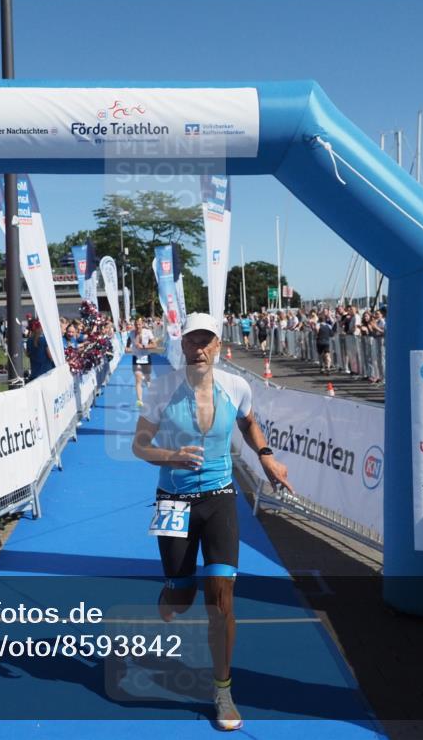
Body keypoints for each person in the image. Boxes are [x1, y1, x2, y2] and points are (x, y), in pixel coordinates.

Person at [132, 312, 293, 732]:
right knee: (180, 600)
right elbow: (139, 445)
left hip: (220, 498)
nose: (198, 349)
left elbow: (248, 422)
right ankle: (170, 591)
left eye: (206, 341)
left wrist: (266, 456)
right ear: (181, 345)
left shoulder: (236, 386)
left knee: (221, 599)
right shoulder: (163, 388)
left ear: (219, 346)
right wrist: (172, 457)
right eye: (191, 341)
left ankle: (222, 690)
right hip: (172, 501)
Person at [126, 317, 156, 407]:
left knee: (147, 378)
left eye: (139, 324)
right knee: (138, 378)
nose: (137, 326)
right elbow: (127, 345)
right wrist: (128, 348)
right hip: (136, 357)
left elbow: (154, 345)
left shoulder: (148, 332)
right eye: (136, 324)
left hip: (146, 357)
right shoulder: (131, 333)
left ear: (142, 324)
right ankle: (139, 400)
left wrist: (143, 346)